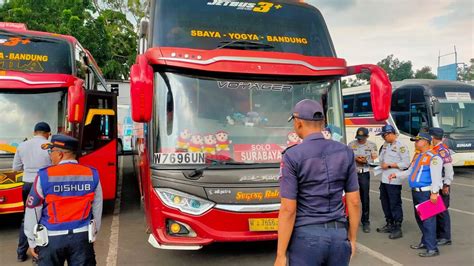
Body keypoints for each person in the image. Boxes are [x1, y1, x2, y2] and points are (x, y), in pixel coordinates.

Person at [274, 99, 360, 266]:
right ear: (322, 123)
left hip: (307, 238)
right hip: (339, 235)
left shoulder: (292, 156)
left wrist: (280, 254)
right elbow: (354, 202)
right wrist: (352, 239)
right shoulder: (345, 152)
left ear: (298, 123)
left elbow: (288, 209)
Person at [24, 135, 103, 266]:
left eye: (51, 152)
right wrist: (93, 233)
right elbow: (97, 207)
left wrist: (32, 240)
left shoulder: (44, 176)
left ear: (60, 154)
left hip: (51, 239)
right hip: (82, 237)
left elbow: (33, 209)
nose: (50, 156)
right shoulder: (92, 174)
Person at [389, 132, 443, 257]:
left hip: (426, 193)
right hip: (417, 193)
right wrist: (396, 174)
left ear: (425, 141)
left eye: (418, 140)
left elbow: (436, 177)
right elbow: (410, 171)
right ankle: (426, 242)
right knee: (420, 219)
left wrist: (434, 193)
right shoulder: (419, 156)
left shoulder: (433, 157)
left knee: (429, 221)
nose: (415, 143)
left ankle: (432, 248)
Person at [12, 122, 52, 262]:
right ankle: (37, 254)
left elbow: (16, 167)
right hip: (45, 184)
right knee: (43, 218)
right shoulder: (49, 146)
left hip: (28, 185)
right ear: (47, 133)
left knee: (27, 218)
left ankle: (21, 253)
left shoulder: (22, 146)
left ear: (34, 132)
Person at [376, 125, 410, 239]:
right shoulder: (385, 146)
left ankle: (397, 227)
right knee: (384, 201)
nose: (383, 138)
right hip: (384, 178)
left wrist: (390, 165)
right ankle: (389, 223)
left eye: (384, 135)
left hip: (394, 179)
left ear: (391, 134)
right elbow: (381, 159)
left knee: (394, 203)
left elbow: (406, 164)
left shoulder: (401, 147)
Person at [348, 127, 377, 233]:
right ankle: (350, 219)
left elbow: (375, 160)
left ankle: (365, 221)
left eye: (362, 138)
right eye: (358, 138)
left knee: (365, 198)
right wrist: (355, 159)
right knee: (351, 198)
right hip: (353, 174)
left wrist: (366, 161)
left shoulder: (372, 145)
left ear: (367, 136)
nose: (360, 140)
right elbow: (347, 158)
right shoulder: (351, 144)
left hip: (364, 173)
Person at [429, 127, 454, 246]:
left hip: (442, 184)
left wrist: (446, 184)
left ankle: (445, 237)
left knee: (442, 211)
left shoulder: (442, 150)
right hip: (435, 183)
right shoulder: (433, 149)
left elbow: (448, 169)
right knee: (435, 210)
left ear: (432, 137)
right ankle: (437, 234)